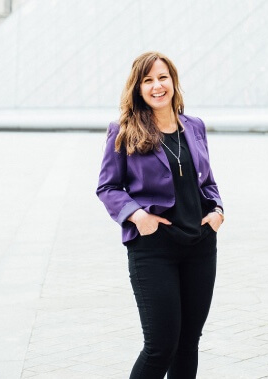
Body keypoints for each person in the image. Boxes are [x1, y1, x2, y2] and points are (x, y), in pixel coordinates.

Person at [96, 51, 224, 379]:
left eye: (162, 77)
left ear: (173, 81)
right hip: (153, 249)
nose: (157, 86)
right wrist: (138, 215)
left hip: (199, 245)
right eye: (148, 80)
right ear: (138, 88)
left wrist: (217, 211)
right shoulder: (123, 130)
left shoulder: (194, 126)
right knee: (160, 346)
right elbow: (108, 187)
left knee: (187, 343)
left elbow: (206, 180)